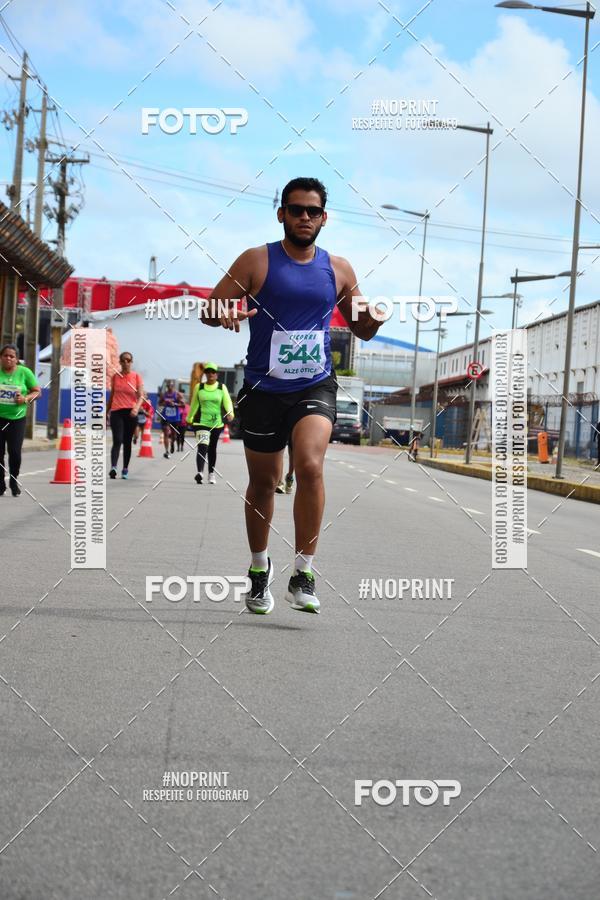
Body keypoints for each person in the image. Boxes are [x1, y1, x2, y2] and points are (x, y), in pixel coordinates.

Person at [201, 176, 381, 614]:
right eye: (296, 209)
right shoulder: (254, 261)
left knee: (310, 465)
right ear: (281, 213)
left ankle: (303, 571)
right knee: (263, 482)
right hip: (263, 387)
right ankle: (259, 571)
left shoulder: (338, 269)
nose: (305, 217)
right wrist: (223, 312)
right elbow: (209, 308)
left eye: (313, 211)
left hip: (314, 383)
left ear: (324, 217)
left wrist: (374, 317)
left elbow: (361, 328)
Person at [0, 343, 41, 497]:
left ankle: (13, 480)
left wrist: (25, 399)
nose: (8, 358)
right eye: (5, 356)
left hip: (17, 420)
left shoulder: (24, 373)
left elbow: (37, 392)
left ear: (16, 359)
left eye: (12, 356)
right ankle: (0, 484)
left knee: (15, 453)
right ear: (1, 358)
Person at [186, 362, 234, 484]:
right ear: (205, 374)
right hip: (201, 422)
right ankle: (200, 472)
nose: (210, 374)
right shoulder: (199, 387)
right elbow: (194, 404)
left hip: (216, 423)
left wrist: (230, 413)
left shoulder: (221, 387)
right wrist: (190, 417)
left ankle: (211, 473)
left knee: (212, 448)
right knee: (203, 446)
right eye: (208, 372)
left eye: (213, 372)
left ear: (216, 374)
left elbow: (227, 402)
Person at [106, 351, 144, 479]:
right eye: (123, 360)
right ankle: (113, 468)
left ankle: (125, 468)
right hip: (117, 411)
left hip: (130, 413)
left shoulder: (136, 377)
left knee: (127, 442)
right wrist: (106, 412)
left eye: (128, 360)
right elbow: (111, 396)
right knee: (117, 440)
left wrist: (136, 408)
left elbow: (141, 396)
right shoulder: (115, 377)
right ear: (120, 362)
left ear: (131, 362)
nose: (126, 362)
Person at [159, 380, 184, 459]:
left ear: (173, 386)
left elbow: (183, 404)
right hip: (165, 416)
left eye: (171, 386)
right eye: (168, 386)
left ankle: (172, 443)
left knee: (173, 434)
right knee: (166, 432)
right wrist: (165, 403)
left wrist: (175, 404)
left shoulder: (177, 395)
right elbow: (160, 403)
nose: (169, 387)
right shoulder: (164, 395)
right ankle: (166, 451)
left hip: (174, 417)